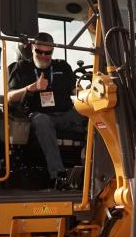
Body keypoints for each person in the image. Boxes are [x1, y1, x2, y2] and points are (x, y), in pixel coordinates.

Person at [7, 32, 86, 186]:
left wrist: (86, 93)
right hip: (40, 116)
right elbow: (10, 97)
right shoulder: (22, 67)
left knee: (95, 113)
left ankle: (92, 171)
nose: (43, 56)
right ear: (32, 48)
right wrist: (31, 88)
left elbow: (76, 91)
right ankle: (58, 176)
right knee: (42, 120)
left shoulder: (63, 66)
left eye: (47, 53)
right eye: (39, 51)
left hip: (66, 115)